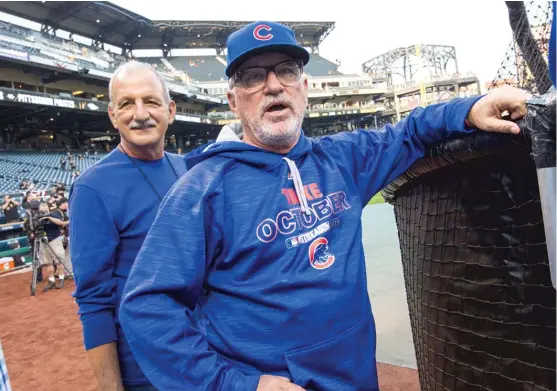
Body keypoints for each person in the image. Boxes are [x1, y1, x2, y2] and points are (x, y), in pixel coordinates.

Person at [119, 21, 529, 391]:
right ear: (232, 100)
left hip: (357, 379)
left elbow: (410, 133)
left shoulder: (341, 159)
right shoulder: (201, 190)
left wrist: (470, 109)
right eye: (253, 76)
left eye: (286, 70)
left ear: (304, 87)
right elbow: (147, 307)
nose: (273, 85)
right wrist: (236, 385)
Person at [69, 61, 190, 391]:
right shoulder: (92, 188)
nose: (140, 114)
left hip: (206, 359)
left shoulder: (187, 168)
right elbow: (94, 302)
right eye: (126, 103)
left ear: (171, 109)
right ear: (112, 115)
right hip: (146, 372)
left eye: (150, 101)